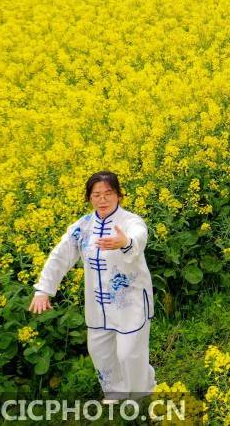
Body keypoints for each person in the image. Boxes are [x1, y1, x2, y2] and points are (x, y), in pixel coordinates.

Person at [30, 171, 155, 400]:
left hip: (131, 302)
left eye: (108, 193)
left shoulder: (130, 221)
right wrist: (43, 290)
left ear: (119, 195)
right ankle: (115, 391)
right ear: (89, 198)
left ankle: (141, 393)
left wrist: (124, 242)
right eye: (96, 195)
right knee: (100, 352)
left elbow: (139, 236)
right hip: (98, 306)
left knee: (129, 354)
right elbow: (61, 255)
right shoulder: (83, 226)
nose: (103, 199)